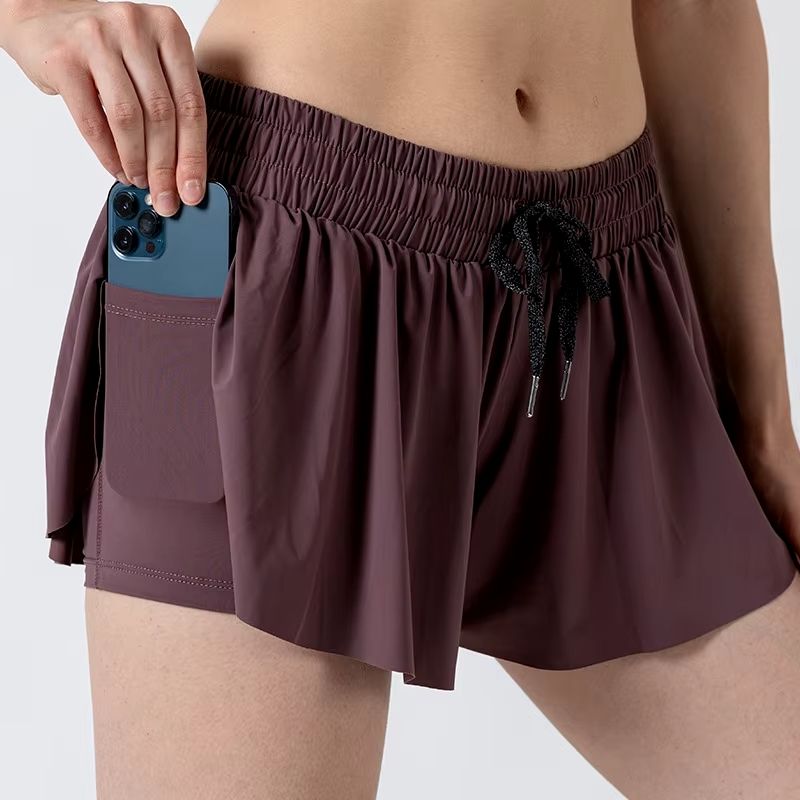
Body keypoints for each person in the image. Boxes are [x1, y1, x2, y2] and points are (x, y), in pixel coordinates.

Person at [3, 0, 800, 796]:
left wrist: (765, 422)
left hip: (596, 301)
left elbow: (695, 10)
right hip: (283, 275)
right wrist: (34, 16)